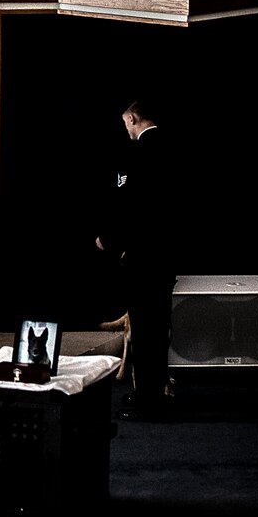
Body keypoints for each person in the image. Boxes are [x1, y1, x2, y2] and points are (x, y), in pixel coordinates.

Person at [96, 98, 177, 419]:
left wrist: (110, 239)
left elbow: (132, 206)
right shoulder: (172, 150)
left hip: (145, 256)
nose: (125, 129)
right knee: (158, 326)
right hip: (167, 253)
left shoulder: (140, 154)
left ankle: (148, 399)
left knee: (144, 328)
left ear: (132, 118)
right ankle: (155, 390)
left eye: (125, 123)